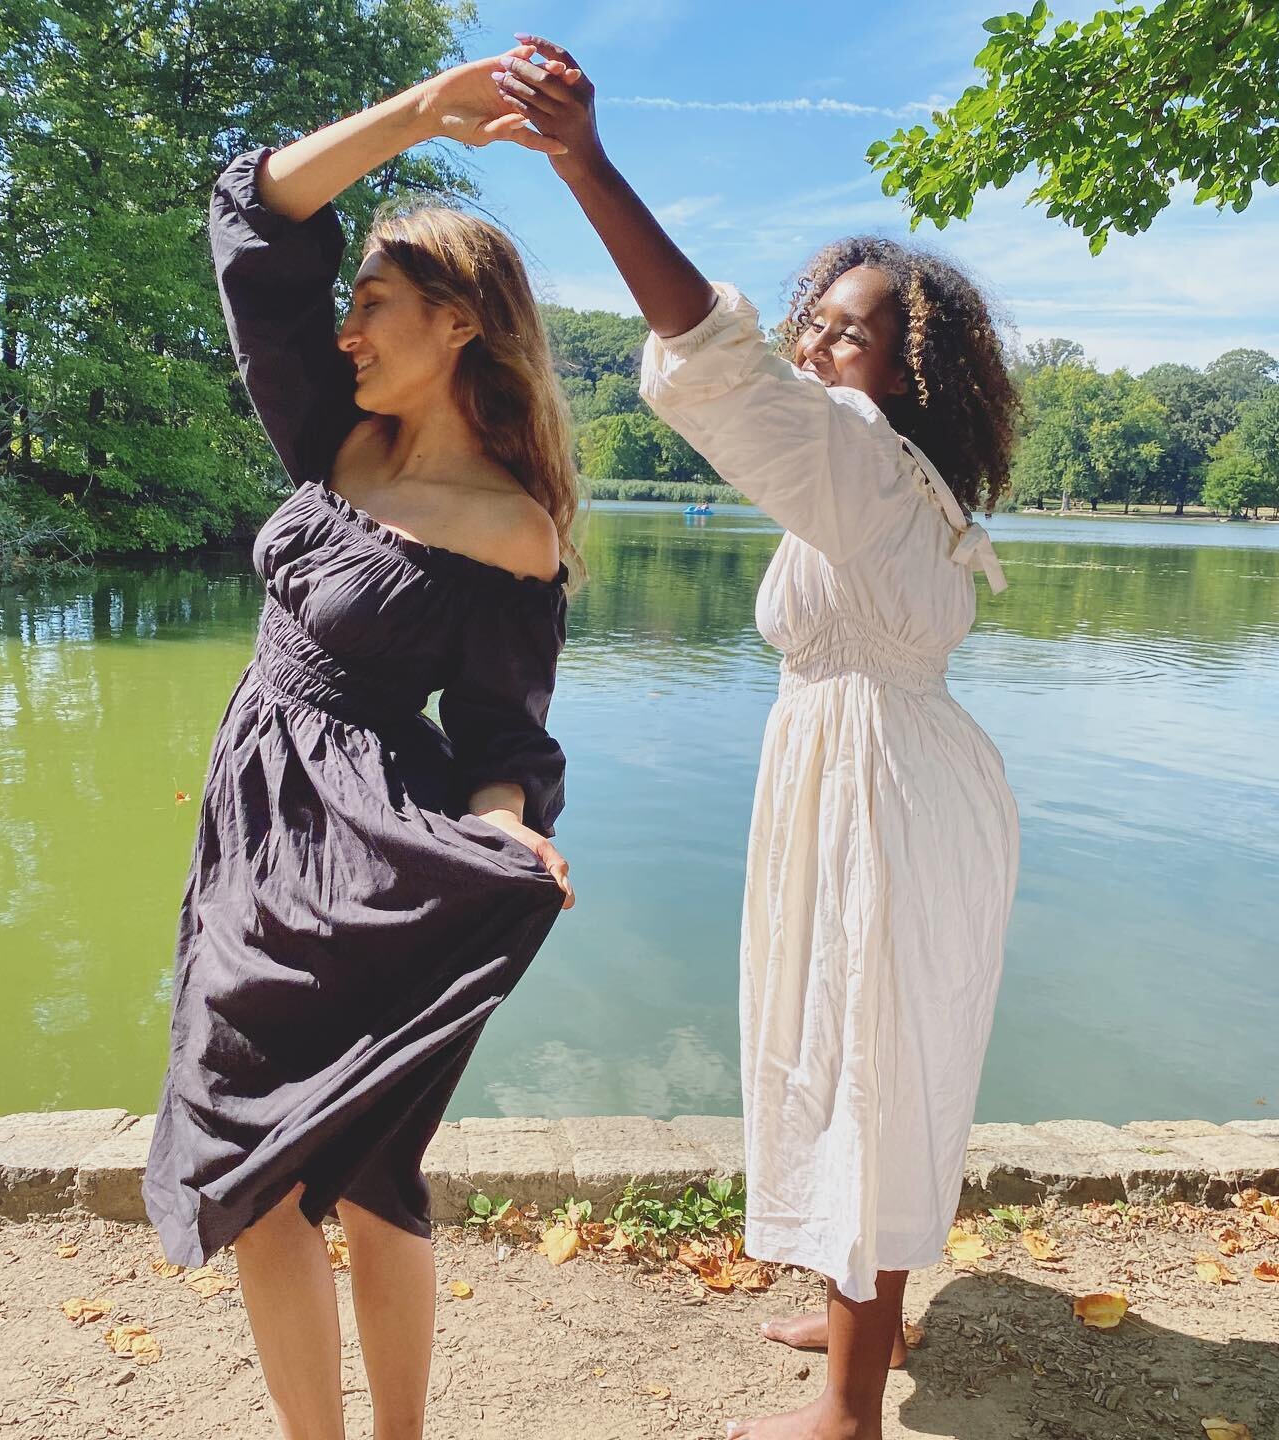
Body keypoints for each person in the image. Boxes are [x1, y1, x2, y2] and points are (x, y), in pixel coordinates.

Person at [492, 38, 1020, 1440]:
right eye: (817, 321)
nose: (818, 346)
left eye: (849, 331)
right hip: (885, 772)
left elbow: (709, 354)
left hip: (880, 790)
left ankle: (849, 1408)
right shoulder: (897, 480)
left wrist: (585, 166)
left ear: (905, 369)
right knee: (863, 1047)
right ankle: (864, 1315)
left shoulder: (854, 448)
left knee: (866, 1055)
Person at [141, 56, 579, 1440]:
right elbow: (252, 229)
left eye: (373, 308)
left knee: (376, 1177)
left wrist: (503, 821)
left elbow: (504, 737)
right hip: (252, 832)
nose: (343, 334)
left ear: (457, 324)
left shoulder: (514, 529)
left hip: (367, 862)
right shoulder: (332, 440)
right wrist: (410, 118)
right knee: (252, 1172)